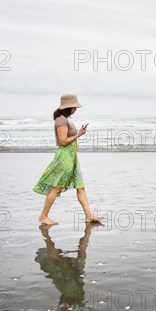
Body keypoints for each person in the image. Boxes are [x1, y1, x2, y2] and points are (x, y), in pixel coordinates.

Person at [33, 93, 103, 225]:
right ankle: (43, 216)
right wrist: (79, 135)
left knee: (80, 186)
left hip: (72, 158)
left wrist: (78, 134)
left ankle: (89, 216)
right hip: (64, 158)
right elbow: (63, 141)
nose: (76, 110)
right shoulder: (61, 120)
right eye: (74, 107)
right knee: (57, 187)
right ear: (68, 107)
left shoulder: (65, 119)